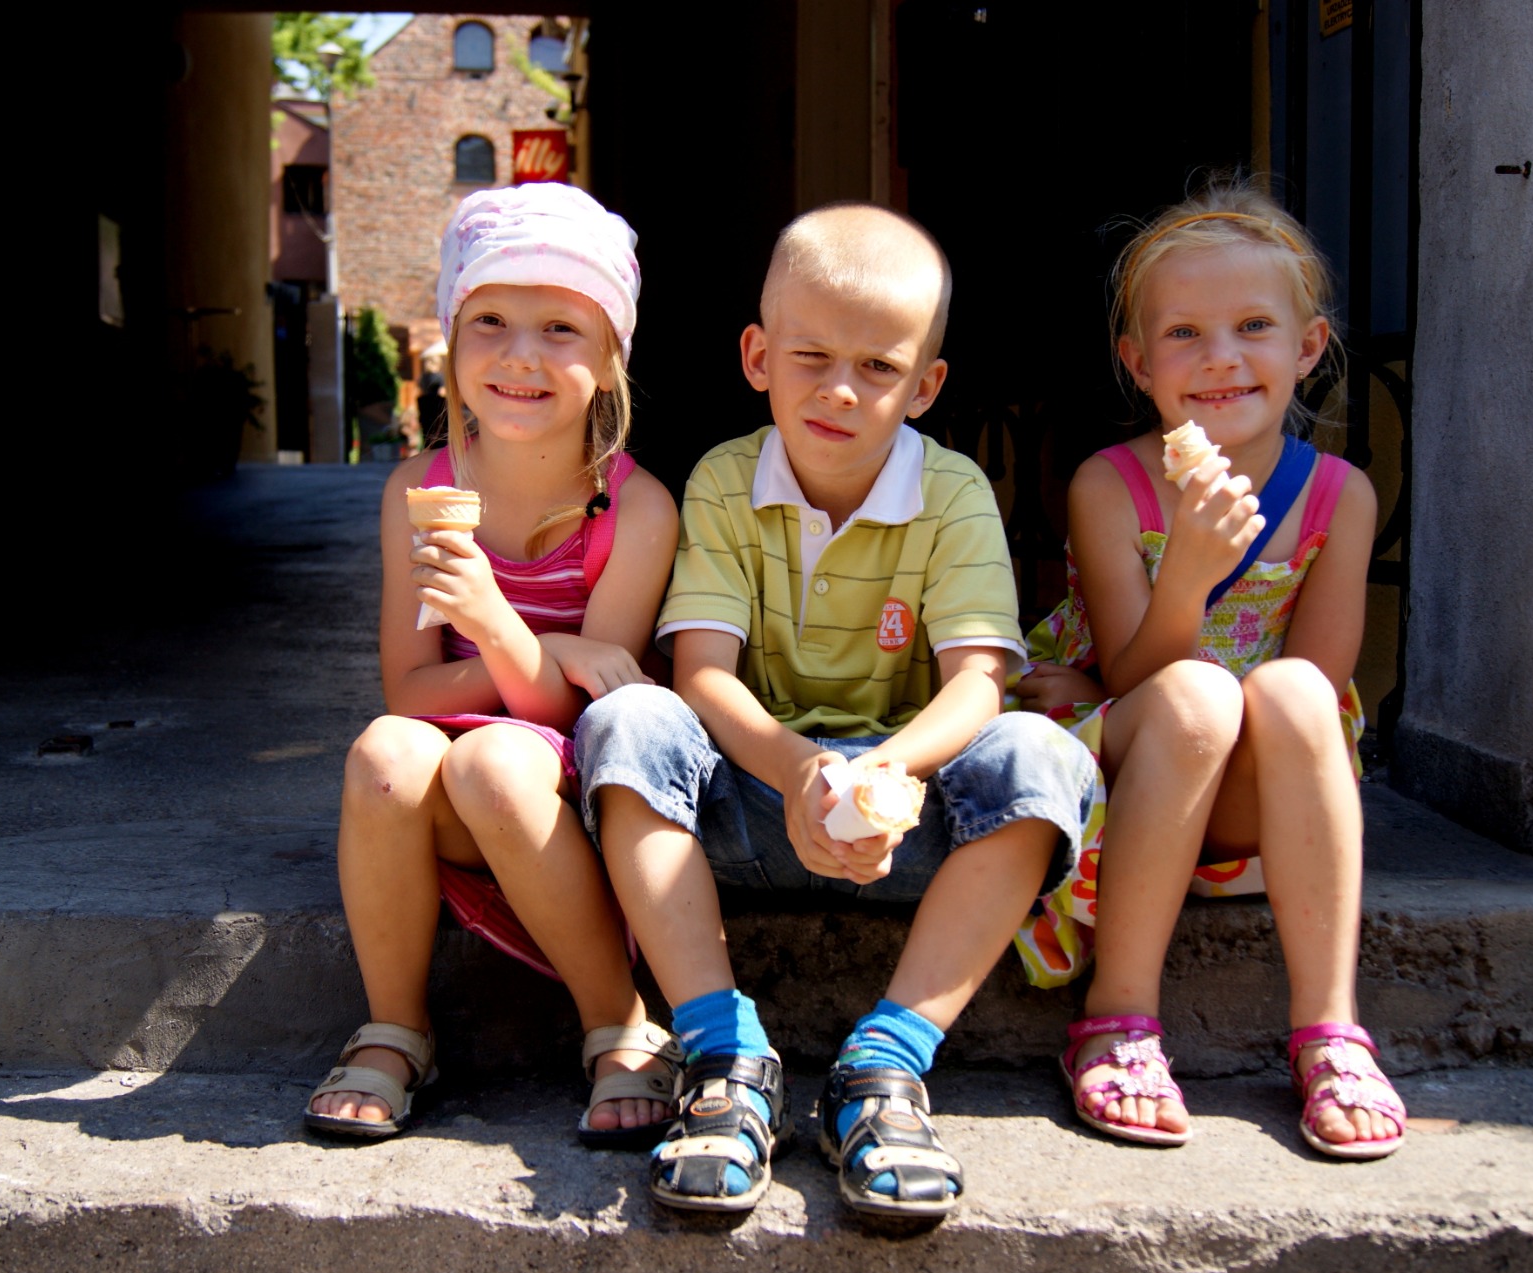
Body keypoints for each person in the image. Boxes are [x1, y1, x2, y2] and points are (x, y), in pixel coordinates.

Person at [574, 204, 1095, 1218]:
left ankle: (886, 1062)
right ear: (756, 355)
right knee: (624, 724)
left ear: (926, 384)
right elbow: (701, 673)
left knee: (1040, 753)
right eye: (809, 355)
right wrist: (801, 774)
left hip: (915, 820)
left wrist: (884, 774)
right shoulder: (724, 479)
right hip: (752, 805)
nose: (840, 389)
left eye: (878, 367)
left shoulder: (951, 491)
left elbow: (979, 679)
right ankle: (722, 1051)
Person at [1012, 177, 1407, 1159]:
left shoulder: (1337, 496)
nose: (1219, 358)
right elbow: (1128, 677)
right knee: (1190, 693)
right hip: (1133, 772)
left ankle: (1328, 1028)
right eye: (1183, 334)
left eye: (1251, 326)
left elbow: (1315, 688)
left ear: (1306, 348)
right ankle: (1117, 1015)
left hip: (1249, 792)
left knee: (1288, 689)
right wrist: (1184, 572)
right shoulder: (1109, 485)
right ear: (1136, 361)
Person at [306, 183, 682, 1149]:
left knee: (495, 760)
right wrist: (538, 639)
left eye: (561, 325)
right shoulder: (416, 492)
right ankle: (394, 1027)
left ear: (609, 360)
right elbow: (413, 692)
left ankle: (620, 1021)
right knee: (386, 752)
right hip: (460, 782)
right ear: (452, 337)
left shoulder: (633, 512)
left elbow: (592, 707)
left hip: (579, 796)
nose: (521, 354)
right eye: (491, 321)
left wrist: (496, 626)